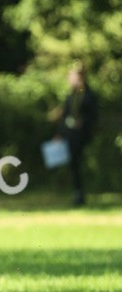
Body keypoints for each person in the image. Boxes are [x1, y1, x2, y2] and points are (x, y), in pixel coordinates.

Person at [55, 64, 98, 206]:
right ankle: (76, 192)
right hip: (70, 135)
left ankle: (80, 192)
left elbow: (93, 116)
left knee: (76, 163)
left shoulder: (87, 95)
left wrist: (83, 123)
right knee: (72, 164)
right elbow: (65, 115)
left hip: (82, 136)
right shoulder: (71, 95)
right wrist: (60, 134)